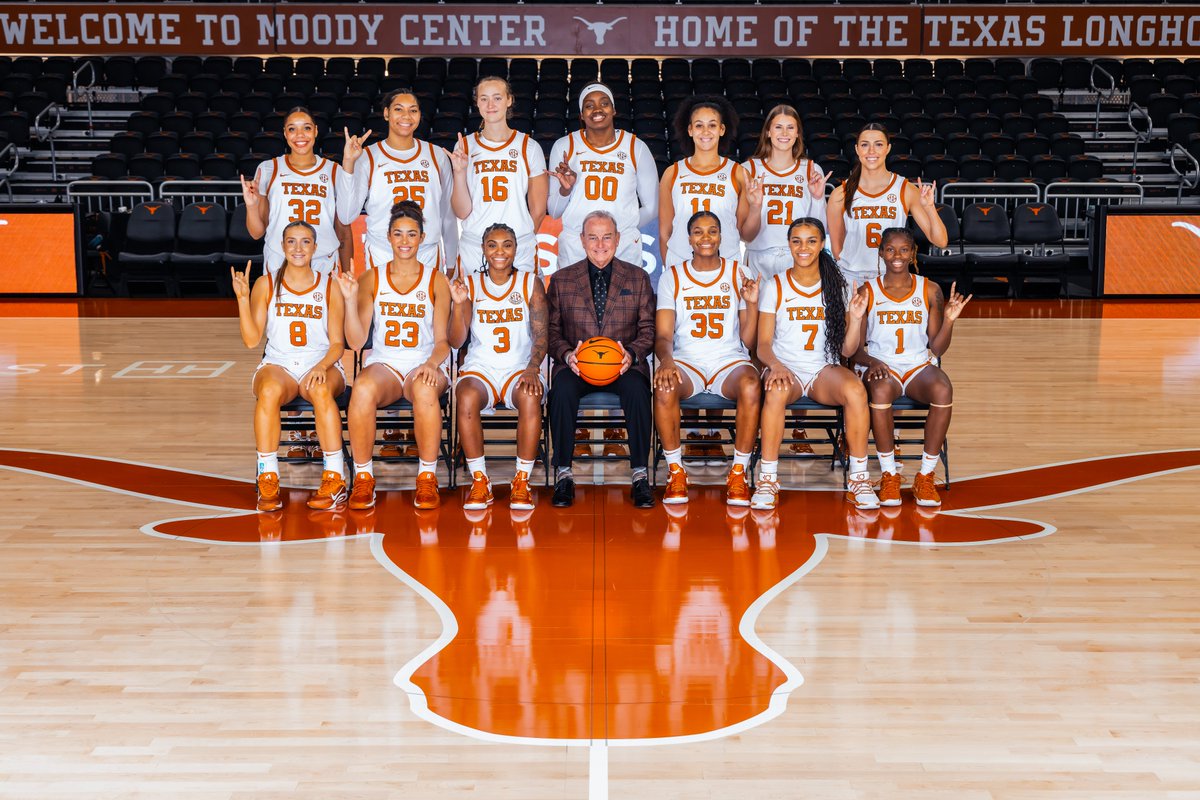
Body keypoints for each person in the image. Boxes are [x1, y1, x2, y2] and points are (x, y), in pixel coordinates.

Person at [750, 217, 880, 511]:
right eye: (796, 241)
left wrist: (856, 319)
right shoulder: (775, 286)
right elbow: (763, 345)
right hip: (788, 369)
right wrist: (776, 366)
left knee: (857, 391)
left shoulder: (839, 287)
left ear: (822, 245)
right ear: (789, 245)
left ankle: (858, 478)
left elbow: (847, 349)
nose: (803, 248)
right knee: (775, 392)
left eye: (811, 241)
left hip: (823, 369)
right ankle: (768, 479)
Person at [659, 96, 760, 463]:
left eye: (711, 124)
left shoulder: (737, 172)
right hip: (683, 267)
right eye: (697, 124)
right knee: (687, 343)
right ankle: (687, 431)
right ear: (689, 130)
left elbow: (747, 230)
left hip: (726, 265)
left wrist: (757, 203)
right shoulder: (673, 172)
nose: (705, 131)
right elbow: (666, 228)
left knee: (724, 341)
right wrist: (675, 269)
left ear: (722, 129)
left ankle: (712, 431)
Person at [336, 201, 452, 511]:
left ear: (422, 237)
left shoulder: (435, 279)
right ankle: (363, 478)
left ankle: (427, 479)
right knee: (360, 389)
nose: (404, 241)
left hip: (424, 363)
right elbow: (357, 341)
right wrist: (349, 302)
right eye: (398, 234)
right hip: (385, 363)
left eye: (411, 234)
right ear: (387, 236)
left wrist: (430, 364)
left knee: (426, 389)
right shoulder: (371, 278)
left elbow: (443, 342)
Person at [232, 221, 347, 512]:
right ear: (282, 246)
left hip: (320, 362)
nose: (298, 248)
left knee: (321, 391)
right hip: (279, 363)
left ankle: (335, 479)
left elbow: (337, 344)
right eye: (292, 242)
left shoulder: (329, 284)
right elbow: (251, 340)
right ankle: (268, 475)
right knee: (269, 391)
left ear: (315, 247)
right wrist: (243, 300)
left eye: (305, 242)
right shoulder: (266, 283)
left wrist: (321, 366)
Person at [854, 227, 971, 508]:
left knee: (943, 390)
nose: (897, 255)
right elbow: (855, 350)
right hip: (884, 366)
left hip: (918, 365)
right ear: (881, 252)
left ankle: (926, 476)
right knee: (880, 391)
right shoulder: (866, 290)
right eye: (890, 249)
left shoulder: (930, 289)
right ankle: (889, 475)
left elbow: (938, 348)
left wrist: (950, 321)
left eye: (904, 249)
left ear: (913, 253)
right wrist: (873, 362)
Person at [546, 210, 656, 508]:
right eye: (593, 237)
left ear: (618, 239)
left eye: (607, 236)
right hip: (578, 365)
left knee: (637, 390)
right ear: (581, 240)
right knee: (563, 390)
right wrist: (567, 355)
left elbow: (649, 329)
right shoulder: (562, 280)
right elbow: (551, 332)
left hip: (622, 365)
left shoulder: (638, 277)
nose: (600, 244)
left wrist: (630, 354)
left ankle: (639, 474)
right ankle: (565, 474)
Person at [653, 210, 761, 506]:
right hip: (686, 361)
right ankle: (676, 471)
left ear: (721, 236)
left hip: (728, 359)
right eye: (698, 232)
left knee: (752, 385)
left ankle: (738, 473)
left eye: (712, 231)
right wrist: (666, 361)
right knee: (663, 386)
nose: (706, 238)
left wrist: (751, 305)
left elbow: (749, 341)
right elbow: (663, 336)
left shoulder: (740, 273)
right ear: (688, 238)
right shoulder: (672, 276)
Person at [448, 223, 548, 511]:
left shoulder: (530, 283)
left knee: (530, 394)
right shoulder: (470, 284)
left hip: (520, 367)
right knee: (465, 395)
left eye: (507, 244)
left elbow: (542, 335)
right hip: (482, 368)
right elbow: (457, 340)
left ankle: (522, 480)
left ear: (517, 249)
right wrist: (458, 305)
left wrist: (532, 368)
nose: (500, 251)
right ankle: (480, 480)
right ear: (483, 249)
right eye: (492, 244)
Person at [547, 82, 659, 271]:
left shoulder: (636, 147)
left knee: (625, 301)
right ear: (582, 115)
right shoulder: (564, 146)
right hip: (576, 247)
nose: (597, 109)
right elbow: (555, 211)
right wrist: (565, 189)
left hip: (623, 248)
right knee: (574, 301)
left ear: (614, 109)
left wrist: (619, 229)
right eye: (589, 105)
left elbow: (653, 207)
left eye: (604, 103)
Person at [241, 107, 366, 275]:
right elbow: (257, 233)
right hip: (280, 260)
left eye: (306, 128)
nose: (300, 135)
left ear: (315, 131)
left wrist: (347, 274)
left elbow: (343, 231)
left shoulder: (334, 171)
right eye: (292, 129)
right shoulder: (268, 169)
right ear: (285, 133)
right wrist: (251, 206)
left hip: (323, 261)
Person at [345, 89, 456, 274]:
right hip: (383, 252)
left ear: (420, 115)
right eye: (398, 109)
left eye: (413, 110)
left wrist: (451, 262)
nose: (406, 116)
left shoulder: (437, 156)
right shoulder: (368, 157)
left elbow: (447, 214)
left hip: (426, 252)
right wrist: (349, 163)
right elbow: (347, 215)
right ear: (387, 113)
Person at [826, 123, 947, 286]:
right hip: (851, 278)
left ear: (888, 148)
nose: (871, 151)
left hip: (890, 277)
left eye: (878, 144)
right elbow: (837, 250)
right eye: (864, 145)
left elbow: (940, 241)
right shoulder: (841, 193)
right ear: (856, 149)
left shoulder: (905, 189)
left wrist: (930, 208)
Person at [450, 76, 549, 276]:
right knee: (472, 306)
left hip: (518, 246)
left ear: (509, 100)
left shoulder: (528, 146)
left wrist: (518, 240)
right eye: (484, 98)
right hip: (475, 245)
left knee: (523, 305)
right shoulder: (465, 146)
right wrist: (459, 173)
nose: (490, 105)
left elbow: (538, 209)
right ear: (477, 102)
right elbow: (461, 212)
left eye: (497, 97)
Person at [742, 104, 831, 280]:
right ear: (768, 132)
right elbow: (744, 234)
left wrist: (818, 198)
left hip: (798, 256)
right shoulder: (748, 169)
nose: (784, 133)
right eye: (778, 127)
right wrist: (755, 206)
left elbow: (819, 228)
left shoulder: (811, 169)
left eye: (790, 127)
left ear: (797, 133)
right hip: (758, 256)